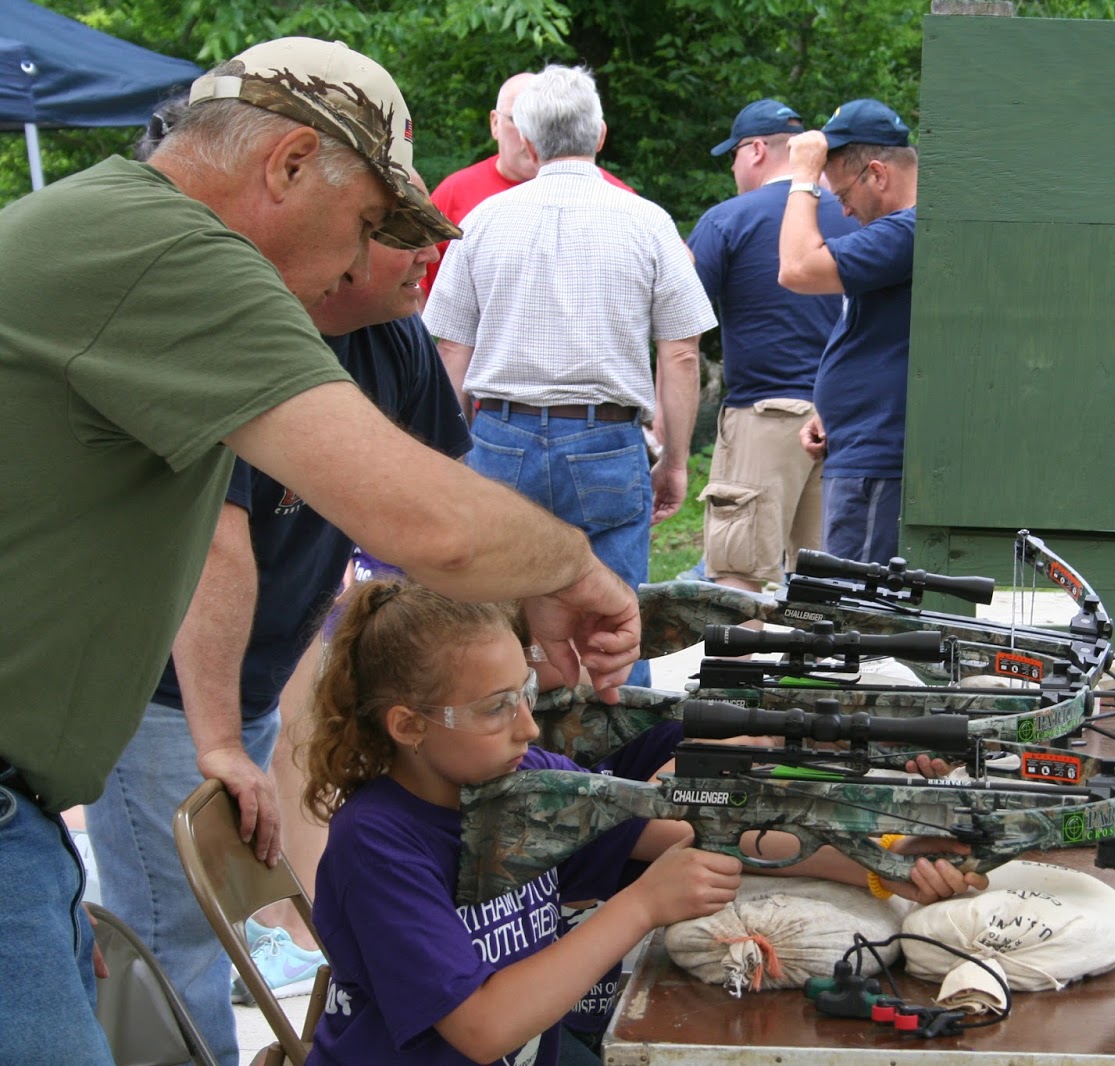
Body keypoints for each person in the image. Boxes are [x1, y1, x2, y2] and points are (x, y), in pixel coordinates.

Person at [0, 37, 642, 1065]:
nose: (361, 261)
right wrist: (574, 569)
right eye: (366, 223)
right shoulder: (171, 251)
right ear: (289, 163)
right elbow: (423, 522)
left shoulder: (120, 236)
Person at [302, 579, 985, 1065]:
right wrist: (640, 907)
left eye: (525, 696)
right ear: (409, 726)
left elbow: (690, 826)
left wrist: (885, 857)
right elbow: (481, 1030)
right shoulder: (377, 845)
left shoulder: (520, 780)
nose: (528, 725)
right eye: (495, 708)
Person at [425, 64, 717, 687]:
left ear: (526, 142)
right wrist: (674, 461)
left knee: (495, 619)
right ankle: (617, 763)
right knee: (613, 624)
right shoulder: (647, 221)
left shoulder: (481, 221)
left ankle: (507, 749)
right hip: (606, 444)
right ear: (602, 135)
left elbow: (451, 351)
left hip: (499, 438)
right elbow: (683, 352)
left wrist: (443, 460)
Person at [686, 99, 857, 593]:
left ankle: (735, 671)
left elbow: (681, 324)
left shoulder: (727, 220)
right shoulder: (854, 214)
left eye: (734, 154)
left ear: (756, 149)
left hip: (762, 418)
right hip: (844, 423)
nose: (734, 168)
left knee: (738, 577)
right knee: (828, 586)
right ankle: (820, 671)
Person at [777, 100, 918, 566]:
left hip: (876, 464)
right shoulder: (899, 233)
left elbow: (797, 268)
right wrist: (833, 411)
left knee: (856, 621)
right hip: (861, 449)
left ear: (877, 174)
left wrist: (802, 178)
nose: (845, 209)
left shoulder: (907, 231)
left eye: (841, 195)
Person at [423, 71, 634, 292]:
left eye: (543, 122)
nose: (532, 132)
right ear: (495, 123)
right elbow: (417, 290)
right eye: (518, 119)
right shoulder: (454, 194)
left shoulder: (620, 201)